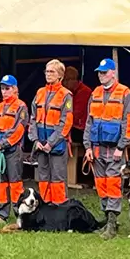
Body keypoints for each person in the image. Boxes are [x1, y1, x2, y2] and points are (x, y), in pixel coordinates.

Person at [83, 58, 130, 239]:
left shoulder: (125, 93)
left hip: (114, 149)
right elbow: (89, 122)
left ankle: (112, 222)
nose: (101, 75)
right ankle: (107, 218)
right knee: (101, 184)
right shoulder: (95, 93)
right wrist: (87, 146)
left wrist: (122, 146)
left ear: (113, 73)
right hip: (97, 149)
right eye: (99, 72)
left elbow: (128, 122)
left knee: (113, 184)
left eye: (104, 72)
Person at [29, 59, 73, 204]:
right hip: (41, 144)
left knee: (58, 179)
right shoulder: (40, 93)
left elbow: (66, 122)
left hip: (57, 145)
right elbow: (33, 118)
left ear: (60, 75)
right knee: (43, 178)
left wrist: (51, 143)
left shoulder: (66, 95)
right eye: (47, 71)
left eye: (52, 71)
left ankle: (60, 208)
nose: (48, 74)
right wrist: (35, 140)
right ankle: (45, 207)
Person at [0, 75, 28, 225]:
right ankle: (1, 214)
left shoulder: (21, 106)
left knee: (15, 182)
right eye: (2, 88)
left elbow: (19, 129)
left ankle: (19, 213)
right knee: (0, 183)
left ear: (15, 89)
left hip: (12, 150)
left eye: (8, 88)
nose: (4, 91)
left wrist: (2, 144)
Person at [62, 66, 92, 143]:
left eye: (65, 81)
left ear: (72, 80)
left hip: (82, 130)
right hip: (74, 127)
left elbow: (76, 114)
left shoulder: (84, 92)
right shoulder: (70, 93)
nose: (63, 84)